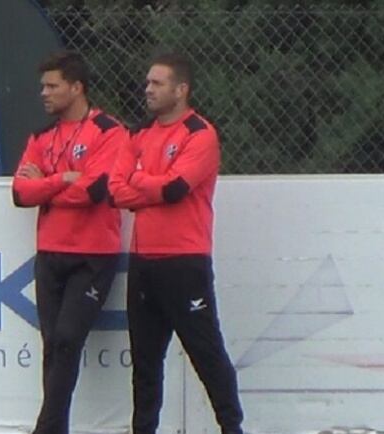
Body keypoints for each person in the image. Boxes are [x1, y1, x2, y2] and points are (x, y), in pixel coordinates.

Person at [108, 52, 244, 434]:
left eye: (157, 83)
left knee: (206, 354)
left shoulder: (199, 134)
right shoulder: (138, 135)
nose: (147, 89)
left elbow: (175, 189)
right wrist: (148, 184)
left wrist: (141, 182)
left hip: (184, 262)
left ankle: (232, 427)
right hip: (144, 263)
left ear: (181, 89)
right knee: (145, 363)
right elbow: (115, 191)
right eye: (148, 82)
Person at [12, 51, 128, 434]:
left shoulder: (110, 131)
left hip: (93, 255)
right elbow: (20, 192)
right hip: (50, 253)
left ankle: (46, 428)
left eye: (52, 86)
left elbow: (95, 190)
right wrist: (61, 180)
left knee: (66, 338)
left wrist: (45, 184)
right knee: (53, 344)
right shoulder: (41, 136)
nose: (43, 93)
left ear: (76, 88)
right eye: (42, 85)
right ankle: (54, 427)